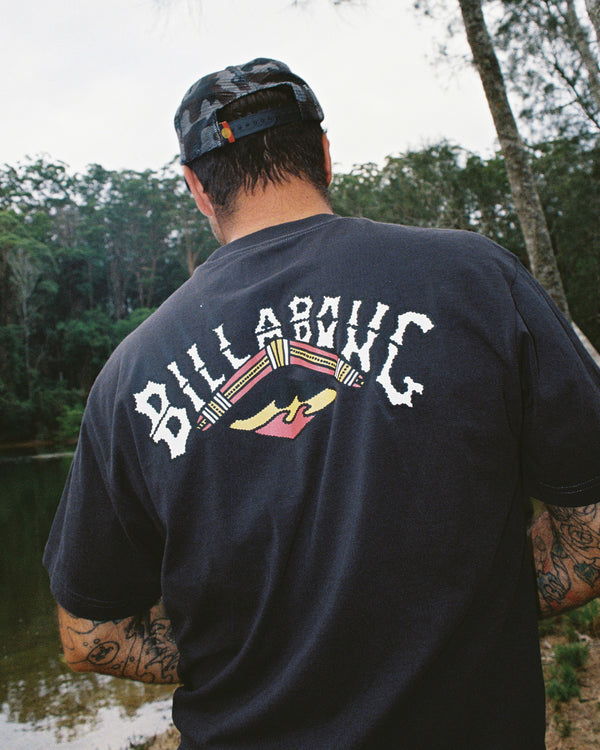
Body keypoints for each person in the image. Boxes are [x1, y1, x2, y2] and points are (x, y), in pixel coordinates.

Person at [44, 58, 600, 749]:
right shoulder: (478, 279)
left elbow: (90, 637)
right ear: (325, 156)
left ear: (197, 188)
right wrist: (464, 614)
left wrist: (256, 654)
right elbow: (592, 533)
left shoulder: (129, 374)